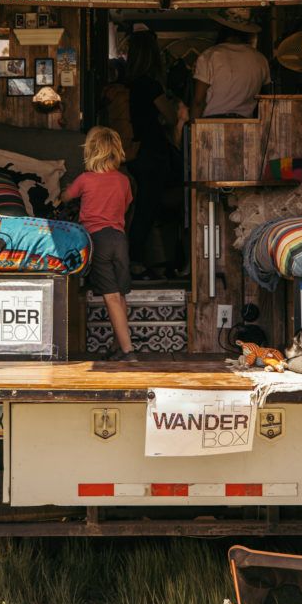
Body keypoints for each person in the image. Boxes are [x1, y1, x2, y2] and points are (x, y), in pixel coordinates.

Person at [61, 127, 137, 361]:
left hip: (98, 240)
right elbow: (125, 206)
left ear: (91, 151)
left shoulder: (85, 179)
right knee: (121, 295)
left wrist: (64, 191)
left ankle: (128, 351)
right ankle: (118, 345)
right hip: (119, 239)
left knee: (110, 296)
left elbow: (65, 197)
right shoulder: (124, 181)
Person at [125, 28, 181, 278]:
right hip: (152, 152)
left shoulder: (127, 84)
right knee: (149, 207)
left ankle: (140, 258)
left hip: (133, 151)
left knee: (139, 207)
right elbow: (171, 117)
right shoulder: (150, 85)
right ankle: (138, 260)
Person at [191, 7, 271, 119]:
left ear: (221, 29)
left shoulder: (209, 56)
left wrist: (191, 125)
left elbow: (198, 101)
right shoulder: (260, 59)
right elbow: (267, 97)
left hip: (212, 123)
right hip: (247, 124)